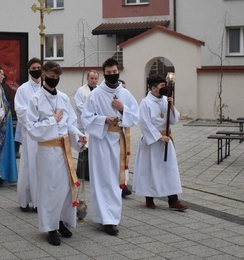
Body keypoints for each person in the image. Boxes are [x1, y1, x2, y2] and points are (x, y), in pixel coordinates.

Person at [26, 61, 86, 245]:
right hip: (47, 151)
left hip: (64, 150)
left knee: (65, 189)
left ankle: (61, 222)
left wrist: (79, 136)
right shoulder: (35, 99)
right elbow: (32, 128)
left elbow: (70, 124)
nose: (54, 81)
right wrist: (52, 120)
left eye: (57, 78)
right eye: (51, 77)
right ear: (43, 76)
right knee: (49, 189)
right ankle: (49, 227)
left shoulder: (63, 98)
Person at [81, 57, 139, 236]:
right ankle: (103, 217)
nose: (113, 75)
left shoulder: (126, 94)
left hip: (118, 141)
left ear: (118, 72)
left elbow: (136, 116)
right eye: (109, 73)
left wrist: (123, 109)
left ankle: (112, 218)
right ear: (104, 74)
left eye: (115, 72)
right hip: (101, 141)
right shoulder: (96, 94)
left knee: (114, 180)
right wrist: (102, 120)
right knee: (101, 180)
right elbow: (85, 118)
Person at [133, 74, 187, 211]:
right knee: (150, 169)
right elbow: (145, 123)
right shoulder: (145, 102)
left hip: (167, 139)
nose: (165, 89)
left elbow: (174, 120)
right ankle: (149, 198)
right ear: (153, 88)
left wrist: (171, 104)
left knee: (170, 169)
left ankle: (173, 200)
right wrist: (158, 137)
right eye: (162, 86)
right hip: (153, 141)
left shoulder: (165, 100)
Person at [15, 57, 43, 212]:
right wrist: (35, 118)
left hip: (44, 133)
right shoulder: (23, 89)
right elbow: (20, 110)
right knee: (28, 164)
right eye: (34, 68)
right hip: (30, 133)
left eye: (39, 67)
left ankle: (39, 201)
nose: (37, 70)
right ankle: (25, 200)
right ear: (29, 70)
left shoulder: (45, 88)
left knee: (41, 166)